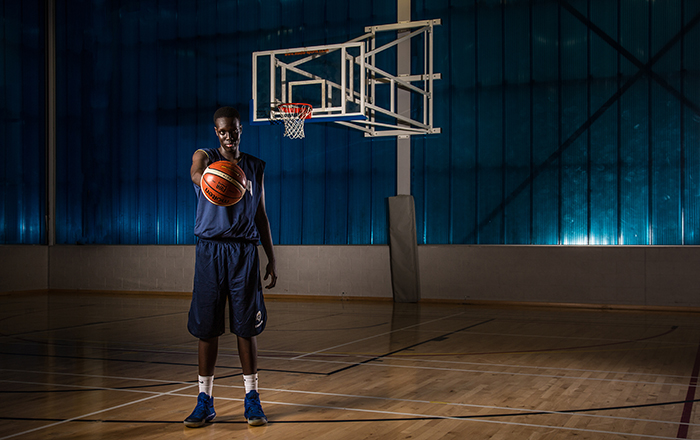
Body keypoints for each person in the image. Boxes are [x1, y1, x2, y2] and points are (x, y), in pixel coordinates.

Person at [184, 106, 277, 428]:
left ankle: (252, 399)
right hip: (210, 251)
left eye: (233, 129)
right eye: (222, 130)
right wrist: (209, 177)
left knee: (245, 328)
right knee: (207, 328)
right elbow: (195, 173)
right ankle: (204, 401)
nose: (228, 135)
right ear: (216, 132)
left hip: (244, 253)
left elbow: (261, 215)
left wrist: (271, 257)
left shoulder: (254, 167)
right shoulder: (205, 158)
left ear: (241, 129)